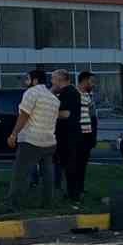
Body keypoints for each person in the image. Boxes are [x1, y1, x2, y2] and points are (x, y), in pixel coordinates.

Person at [7, 66, 59, 209]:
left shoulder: (31, 92)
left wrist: (13, 134)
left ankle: (14, 203)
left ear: (35, 80)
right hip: (49, 142)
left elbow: (24, 115)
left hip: (31, 140)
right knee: (48, 175)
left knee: (20, 173)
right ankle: (48, 204)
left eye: (27, 79)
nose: (25, 82)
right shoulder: (53, 98)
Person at [52, 70, 84, 206]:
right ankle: (71, 193)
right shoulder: (65, 93)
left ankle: (73, 195)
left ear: (61, 80)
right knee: (67, 165)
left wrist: (49, 112)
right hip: (66, 134)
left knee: (70, 165)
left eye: (53, 79)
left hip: (69, 135)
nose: (52, 82)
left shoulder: (69, 93)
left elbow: (65, 114)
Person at [67, 70, 99, 204]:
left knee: (82, 165)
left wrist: (92, 137)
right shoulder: (74, 94)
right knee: (74, 165)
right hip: (76, 135)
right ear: (84, 81)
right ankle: (73, 192)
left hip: (87, 135)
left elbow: (93, 118)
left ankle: (80, 189)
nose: (94, 85)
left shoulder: (88, 95)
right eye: (92, 82)